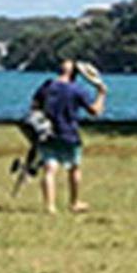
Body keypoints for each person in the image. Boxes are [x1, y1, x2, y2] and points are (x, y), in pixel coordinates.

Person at [32, 58, 107, 214]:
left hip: (47, 133)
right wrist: (101, 93)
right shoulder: (77, 90)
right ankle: (74, 203)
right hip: (69, 134)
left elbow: (34, 106)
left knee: (49, 169)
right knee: (74, 168)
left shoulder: (46, 86)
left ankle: (50, 206)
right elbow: (95, 111)